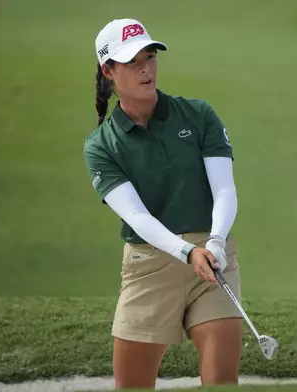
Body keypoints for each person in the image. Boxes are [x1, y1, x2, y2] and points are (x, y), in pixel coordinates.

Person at [83, 18, 243, 389]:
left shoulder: (198, 114)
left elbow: (224, 190)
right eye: (132, 61)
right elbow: (137, 215)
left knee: (221, 383)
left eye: (150, 56)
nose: (145, 68)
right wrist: (186, 251)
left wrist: (215, 242)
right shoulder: (101, 145)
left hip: (213, 257)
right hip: (151, 264)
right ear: (108, 71)